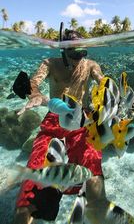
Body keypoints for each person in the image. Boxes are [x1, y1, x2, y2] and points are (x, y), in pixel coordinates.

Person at [13, 28, 107, 224]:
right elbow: (34, 83)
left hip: (82, 125)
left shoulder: (90, 65)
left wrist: (108, 92)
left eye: (83, 52)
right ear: (63, 50)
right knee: (27, 197)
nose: (79, 58)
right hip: (53, 125)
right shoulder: (50, 63)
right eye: (74, 53)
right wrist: (36, 95)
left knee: (94, 179)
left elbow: (102, 81)